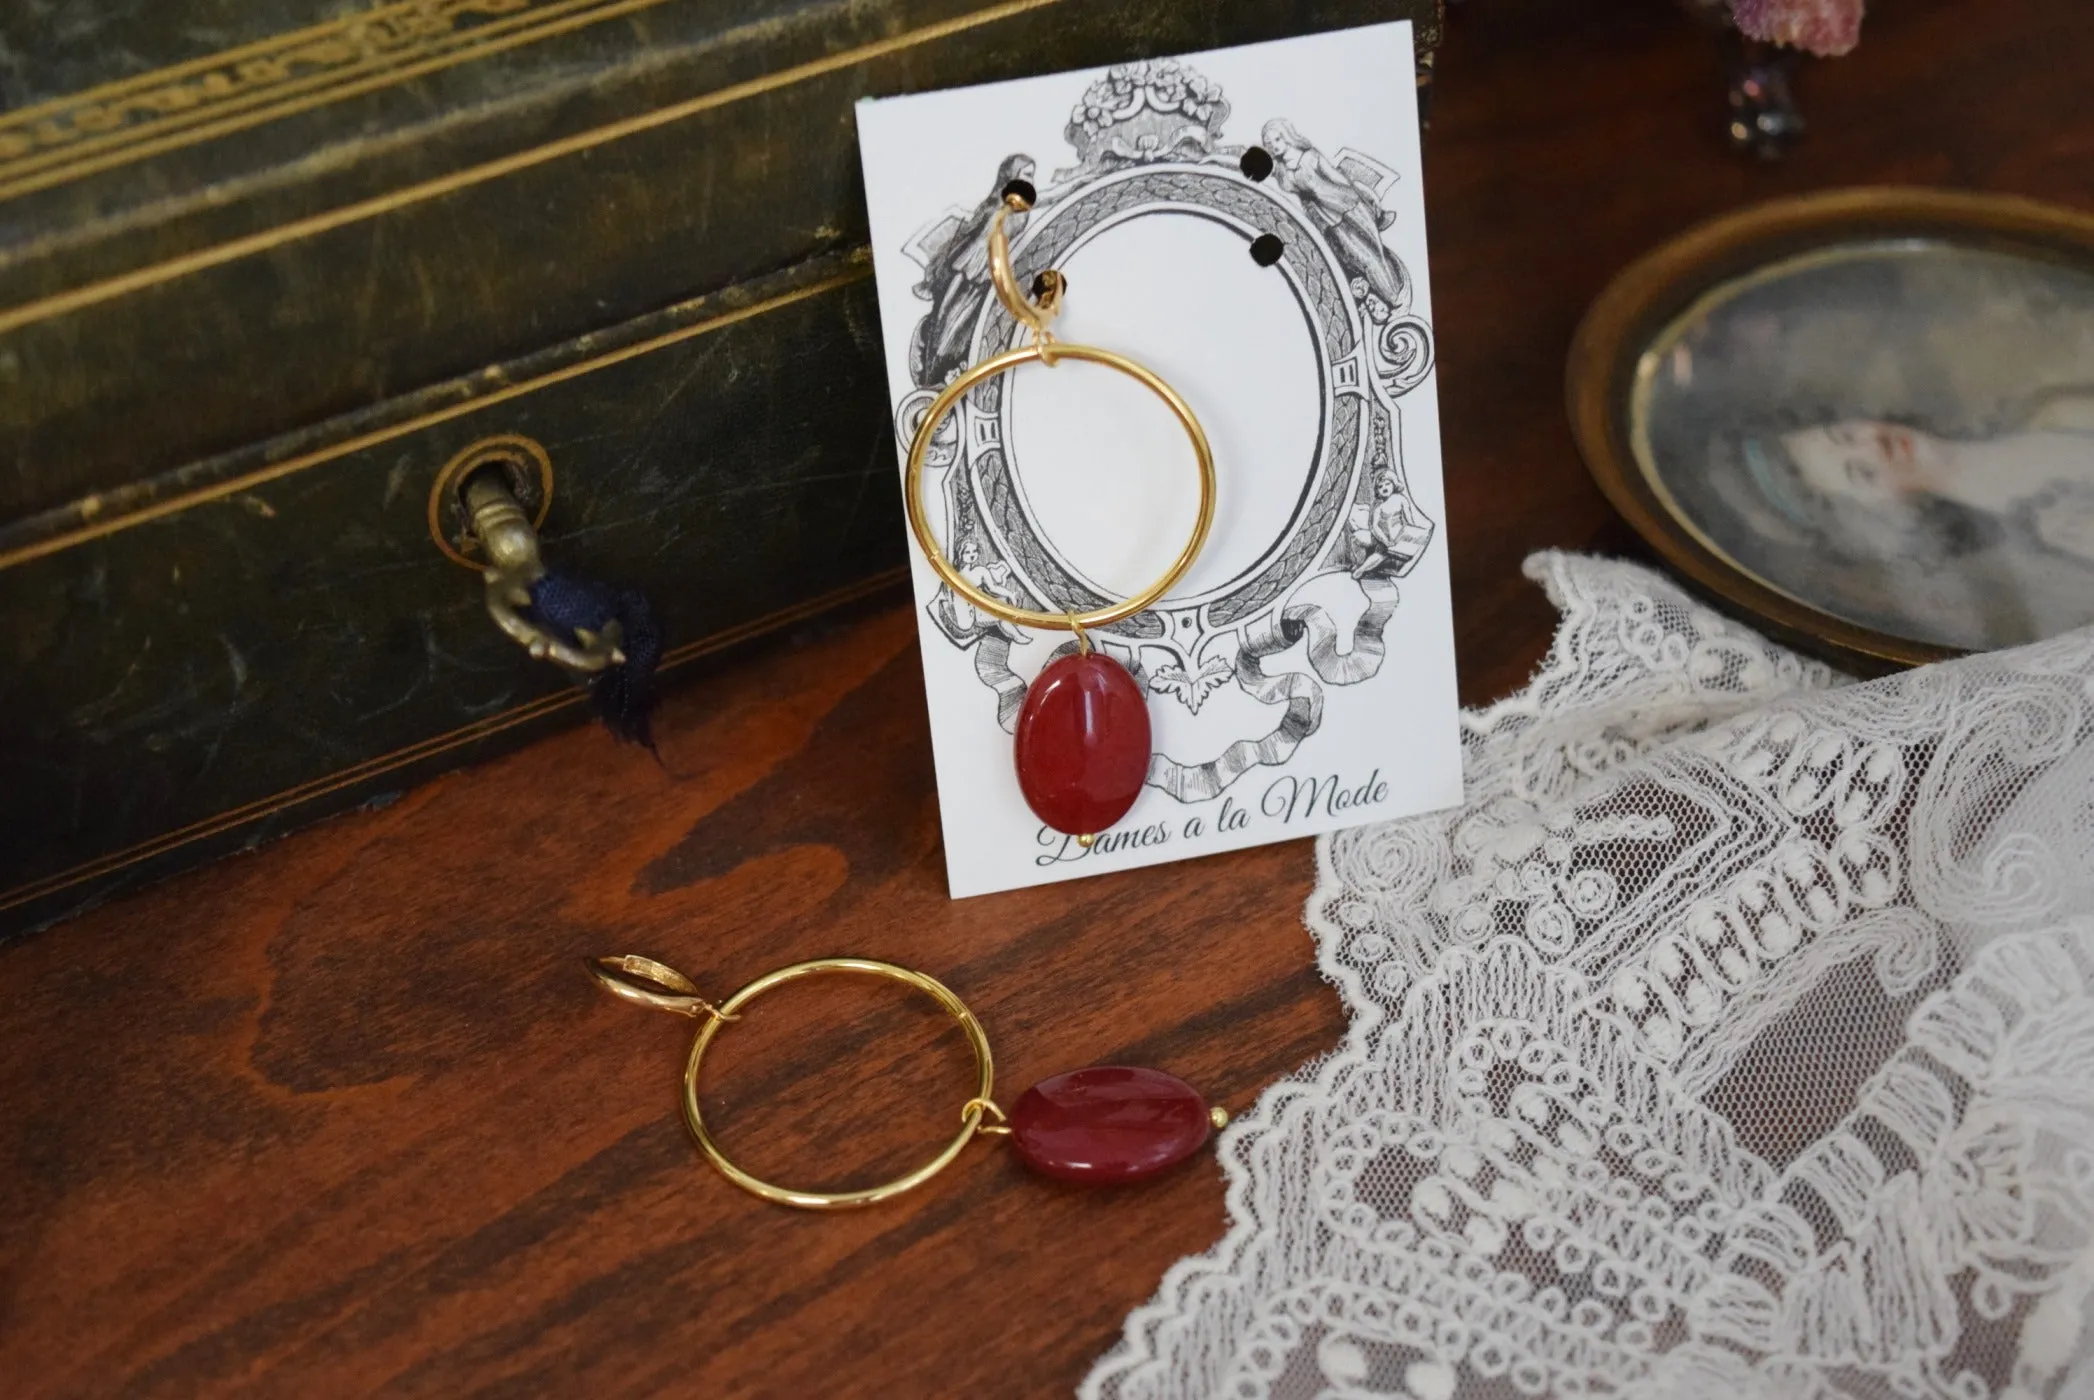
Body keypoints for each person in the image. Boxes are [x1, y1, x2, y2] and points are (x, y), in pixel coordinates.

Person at [1260, 119, 1408, 316]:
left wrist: (1367, 201)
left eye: (1277, 139)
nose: (1274, 145)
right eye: (1269, 143)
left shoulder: (1310, 157)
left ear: (1287, 136)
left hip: (1347, 209)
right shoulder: (1281, 172)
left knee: (1370, 256)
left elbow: (1341, 180)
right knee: (1354, 262)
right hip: (1326, 222)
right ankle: (1380, 301)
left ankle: (1393, 298)